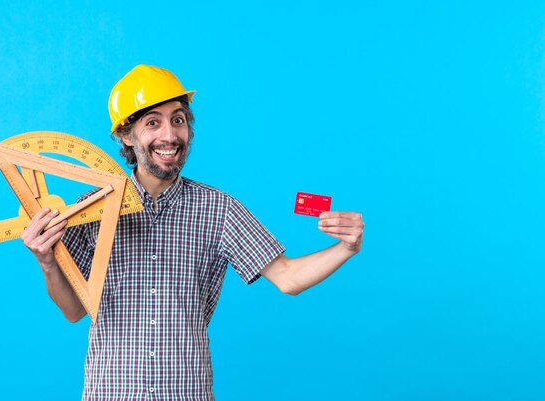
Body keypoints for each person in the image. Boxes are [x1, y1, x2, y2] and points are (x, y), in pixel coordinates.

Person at [22, 64, 365, 400]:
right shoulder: (91, 209)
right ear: (126, 135)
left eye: (178, 120)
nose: (169, 135)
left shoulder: (219, 209)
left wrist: (345, 249)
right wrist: (47, 262)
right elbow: (73, 310)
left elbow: (288, 277)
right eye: (152, 122)